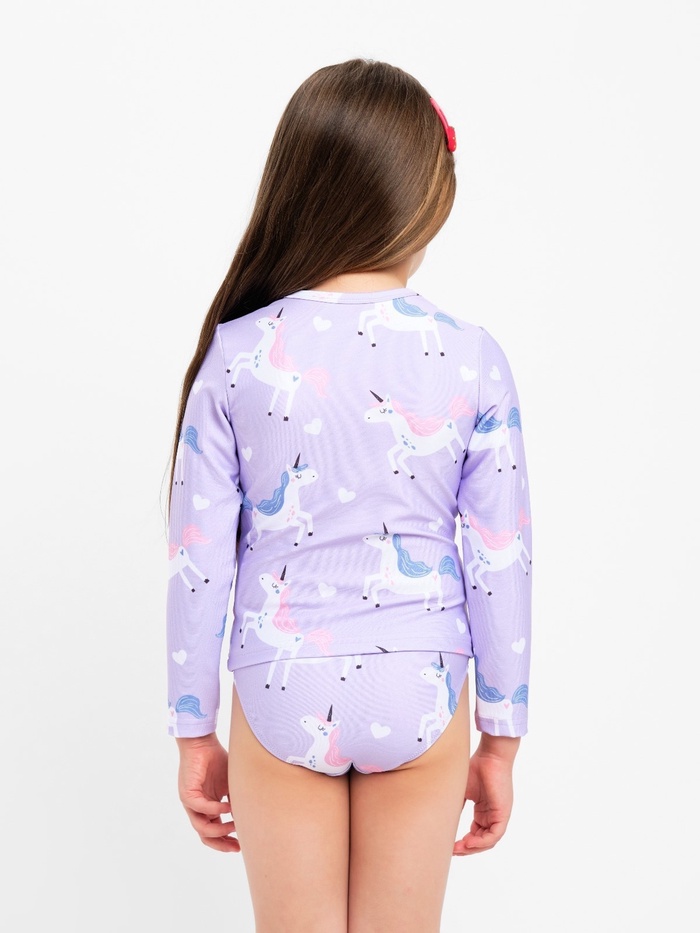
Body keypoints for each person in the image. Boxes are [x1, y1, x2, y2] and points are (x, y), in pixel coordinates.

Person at [165, 58, 532, 932]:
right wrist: (502, 735)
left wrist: (193, 727)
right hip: (421, 681)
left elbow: (197, 559)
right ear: (425, 200)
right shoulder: (473, 356)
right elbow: (502, 559)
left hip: (278, 682)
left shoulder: (237, 355)